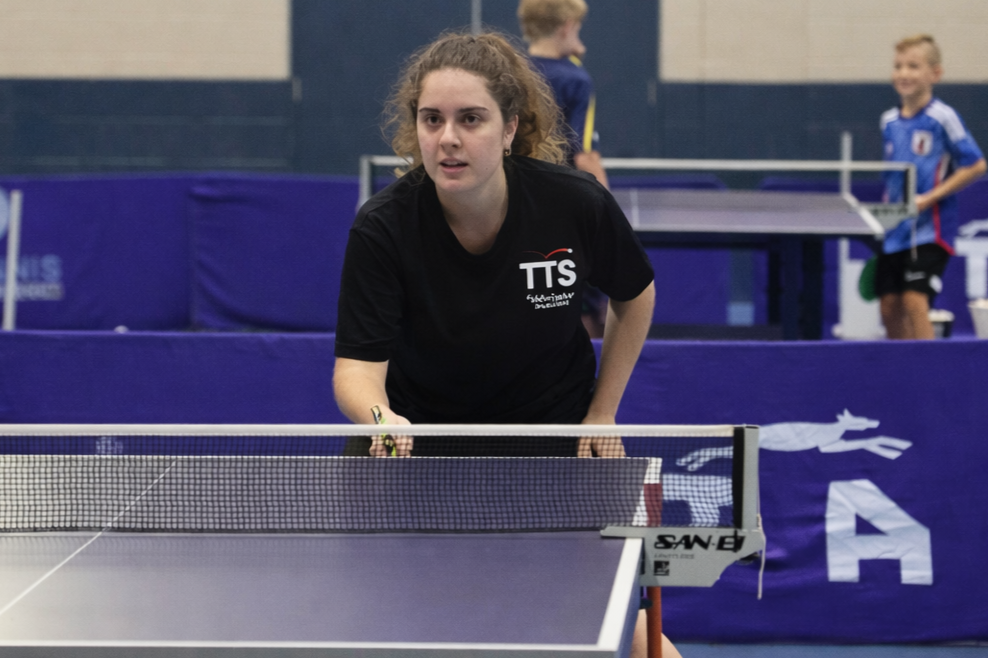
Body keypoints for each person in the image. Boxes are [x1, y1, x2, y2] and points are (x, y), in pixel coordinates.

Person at [333, 31, 654, 455]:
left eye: (470, 118)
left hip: (552, 435)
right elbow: (357, 367)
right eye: (432, 119)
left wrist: (603, 412)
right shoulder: (383, 225)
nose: (448, 137)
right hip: (419, 437)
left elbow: (635, 294)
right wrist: (381, 417)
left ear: (509, 129)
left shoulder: (575, 203)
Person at [877, 34, 986, 340]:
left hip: (931, 229)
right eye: (898, 66)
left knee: (914, 299)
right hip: (896, 228)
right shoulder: (888, 121)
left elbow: (976, 164)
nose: (904, 73)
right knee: (888, 306)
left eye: (914, 66)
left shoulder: (943, 117)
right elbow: (891, 178)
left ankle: (928, 369)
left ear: (934, 74)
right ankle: (902, 370)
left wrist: (930, 198)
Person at [518, 0, 611, 337]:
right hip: (562, 204)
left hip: (514, 199)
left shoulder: (513, 71)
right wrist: (607, 207)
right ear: (567, 27)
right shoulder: (575, 79)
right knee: (586, 296)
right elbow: (584, 154)